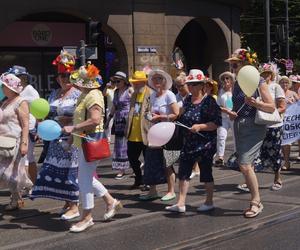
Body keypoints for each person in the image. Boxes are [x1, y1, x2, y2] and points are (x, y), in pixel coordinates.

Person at [63, 63, 122, 233]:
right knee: (86, 177)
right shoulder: (85, 94)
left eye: (77, 81)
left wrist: (73, 129)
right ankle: (111, 201)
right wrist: (70, 138)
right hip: (83, 141)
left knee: (84, 180)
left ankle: (87, 217)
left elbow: (95, 120)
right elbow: (79, 120)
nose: (74, 83)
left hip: (91, 142)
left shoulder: (93, 96)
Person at [31, 51, 81, 220]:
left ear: (73, 76)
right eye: (61, 76)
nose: (64, 79)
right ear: (57, 77)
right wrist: (41, 121)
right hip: (54, 139)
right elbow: (46, 113)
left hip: (70, 138)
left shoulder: (78, 94)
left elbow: (83, 115)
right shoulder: (54, 94)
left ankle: (75, 206)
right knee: (58, 172)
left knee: (69, 173)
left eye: (67, 75)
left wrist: (70, 119)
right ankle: (67, 202)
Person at [226, 48, 275, 218]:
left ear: (245, 63)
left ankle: (256, 202)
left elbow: (271, 106)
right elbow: (237, 107)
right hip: (239, 125)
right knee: (245, 165)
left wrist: (256, 104)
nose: (232, 68)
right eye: (231, 65)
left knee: (246, 165)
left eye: (234, 64)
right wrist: (232, 113)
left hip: (254, 126)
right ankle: (255, 199)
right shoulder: (237, 82)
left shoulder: (258, 80)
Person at [165, 69, 221, 213]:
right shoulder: (188, 100)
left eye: (194, 84)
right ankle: (181, 203)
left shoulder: (209, 101)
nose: (191, 87)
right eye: (189, 84)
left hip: (205, 143)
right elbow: (182, 116)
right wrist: (175, 117)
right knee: (183, 172)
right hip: (189, 142)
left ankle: (209, 202)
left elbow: (216, 123)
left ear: (202, 85)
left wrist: (200, 127)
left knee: (206, 173)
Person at [140, 69, 179, 202]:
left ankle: (171, 191)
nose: (156, 81)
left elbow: (176, 114)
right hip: (156, 131)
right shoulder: (152, 96)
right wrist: (149, 116)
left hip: (168, 131)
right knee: (151, 160)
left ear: (165, 81)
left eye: (159, 79)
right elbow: (151, 112)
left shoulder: (169, 95)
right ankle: (152, 191)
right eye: (154, 79)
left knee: (168, 162)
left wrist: (161, 116)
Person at [250, 63, 286, 191]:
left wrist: (269, 111)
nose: (265, 76)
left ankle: (277, 178)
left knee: (275, 151)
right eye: (263, 73)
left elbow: (282, 106)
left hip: (274, 125)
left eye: (267, 73)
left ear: (271, 75)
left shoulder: (276, 87)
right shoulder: (257, 87)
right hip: (259, 124)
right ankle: (250, 181)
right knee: (255, 153)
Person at [0, 73, 32, 210]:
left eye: (3, 85)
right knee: (8, 173)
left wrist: (24, 144)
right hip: (2, 141)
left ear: (9, 87)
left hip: (15, 142)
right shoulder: (5, 101)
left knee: (10, 173)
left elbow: (25, 125)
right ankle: (16, 199)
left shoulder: (21, 101)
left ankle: (17, 197)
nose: (1, 88)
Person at [7, 65, 40, 187]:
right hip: (17, 128)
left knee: (25, 158)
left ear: (23, 78)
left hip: (28, 127)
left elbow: (39, 110)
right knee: (27, 158)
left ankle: (26, 187)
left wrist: (38, 129)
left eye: (15, 76)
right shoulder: (16, 90)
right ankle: (32, 185)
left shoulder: (30, 91)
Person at [125, 71, 152, 189]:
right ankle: (138, 178)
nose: (134, 85)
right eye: (133, 82)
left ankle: (147, 181)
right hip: (133, 133)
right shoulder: (134, 94)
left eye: (136, 83)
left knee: (148, 159)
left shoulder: (151, 94)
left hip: (146, 132)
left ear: (144, 82)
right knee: (131, 157)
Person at [105, 71, 132, 179]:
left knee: (129, 144)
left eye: (118, 81)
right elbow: (114, 107)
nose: (116, 83)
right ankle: (121, 169)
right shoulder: (116, 92)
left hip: (128, 119)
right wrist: (108, 120)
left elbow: (135, 103)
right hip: (118, 120)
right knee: (120, 144)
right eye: (114, 81)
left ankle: (134, 163)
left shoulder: (129, 90)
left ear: (124, 81)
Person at [174, 72, 200, 179]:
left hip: (193, 123)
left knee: (193, 146)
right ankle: (193, 168)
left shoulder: (192, 95)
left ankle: (195, 168)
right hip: (181, 124)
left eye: (182, 85)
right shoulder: (176, 96)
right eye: (177, 86)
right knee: (185, 146)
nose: (180, 88)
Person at [215, 71, 235, 167]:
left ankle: (236, 156)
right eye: (224, 79)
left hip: (234, 117)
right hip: (224, 117)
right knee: (221, 136)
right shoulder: (220, 90)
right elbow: (218, 105)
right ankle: (220, 157)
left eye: (228, 78)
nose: (226, 80)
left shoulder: (235, 90)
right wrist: (227, 111)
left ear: (231, 80)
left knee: (236, 137)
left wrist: (233, 113)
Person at [279, 76, 299, 170]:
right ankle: (286, 162)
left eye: (286, 82)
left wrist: (294, 102)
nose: (284, 84)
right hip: (282, 120)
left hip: (294, 121)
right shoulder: (278, 93)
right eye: (282, 82)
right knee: (285, 141)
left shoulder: (293, 93)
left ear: (289, 84)